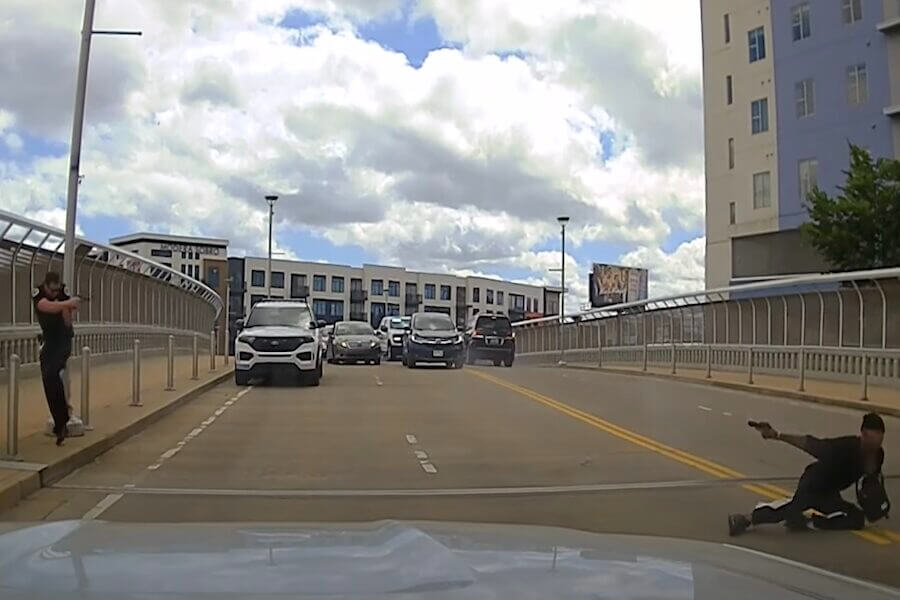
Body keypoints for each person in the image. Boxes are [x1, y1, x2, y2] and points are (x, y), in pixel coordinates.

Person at [728, 412, 886, 535]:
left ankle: (809, 521)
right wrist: (778, 435)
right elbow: (810, 444)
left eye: (879, 441)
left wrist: (876, 503)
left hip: (830, 493)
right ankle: (744, 518)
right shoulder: (845, 447)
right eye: (872, 440)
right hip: (813, 484)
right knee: (788, 509)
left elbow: (870, 483)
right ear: (863, 434)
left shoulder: (878, 455)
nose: (875, 446)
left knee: (857, 518)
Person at [32, 272, 80, 445]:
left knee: (53, 373)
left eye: (56, 290)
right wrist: (67, 303)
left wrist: (67, 308)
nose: (54, 293)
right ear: (46, 286)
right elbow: (44, 306)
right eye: (51, 291)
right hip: (49, 340)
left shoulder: (62, 291)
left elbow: (67, 322)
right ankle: (60, 421)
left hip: (63, 340)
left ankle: (63, 419)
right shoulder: (38, 292)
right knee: (47, 378)